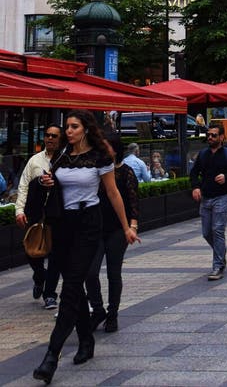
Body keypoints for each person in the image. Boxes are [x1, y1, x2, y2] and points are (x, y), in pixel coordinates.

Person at [33, 109, 139, 385]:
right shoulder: (62, 156)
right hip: (64, 224)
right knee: (73, 284)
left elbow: (113, 192)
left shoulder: (100, 157)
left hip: (89, 223)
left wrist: (127, 226)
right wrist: (48, 181)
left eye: (74, 126)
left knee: (70, 289)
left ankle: (51, 356)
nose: (68, 131)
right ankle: (87, 340)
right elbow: (55, 186)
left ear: (85, 129)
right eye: (67, 126)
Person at [85, 133, 139, 333]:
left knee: (113, 273)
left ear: (114, 149)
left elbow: (133, 203)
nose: (100, 149)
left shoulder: (126, 172)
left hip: (117, 229)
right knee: (90, 272)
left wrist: (132, 227)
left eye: (104, 146)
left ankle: (113, 314)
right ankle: (98, 309)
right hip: (95, 228)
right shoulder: (94, 171)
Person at [189, 122, 227, 281]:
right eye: (209, 135)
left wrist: (226, 177)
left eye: (214, 135)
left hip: (224, 196)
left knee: (218, 229)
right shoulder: (203, 154)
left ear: (222, 137)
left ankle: (217, 266)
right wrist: (195, 187)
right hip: (206, 197)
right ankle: (221, 253)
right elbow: (194, 173)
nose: (210, 138)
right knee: (206, 232)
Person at [15, 125, 63, 309]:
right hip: (35, 213)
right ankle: (39, 276)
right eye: (48, 135)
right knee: (31, 251)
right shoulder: (35, 161)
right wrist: (19, 211)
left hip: (56, 215)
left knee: (55, 255)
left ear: (60, 139)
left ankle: (49, 294)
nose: (50, 139)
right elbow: (23, 186)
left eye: (54, 136)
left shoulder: (65, 161)